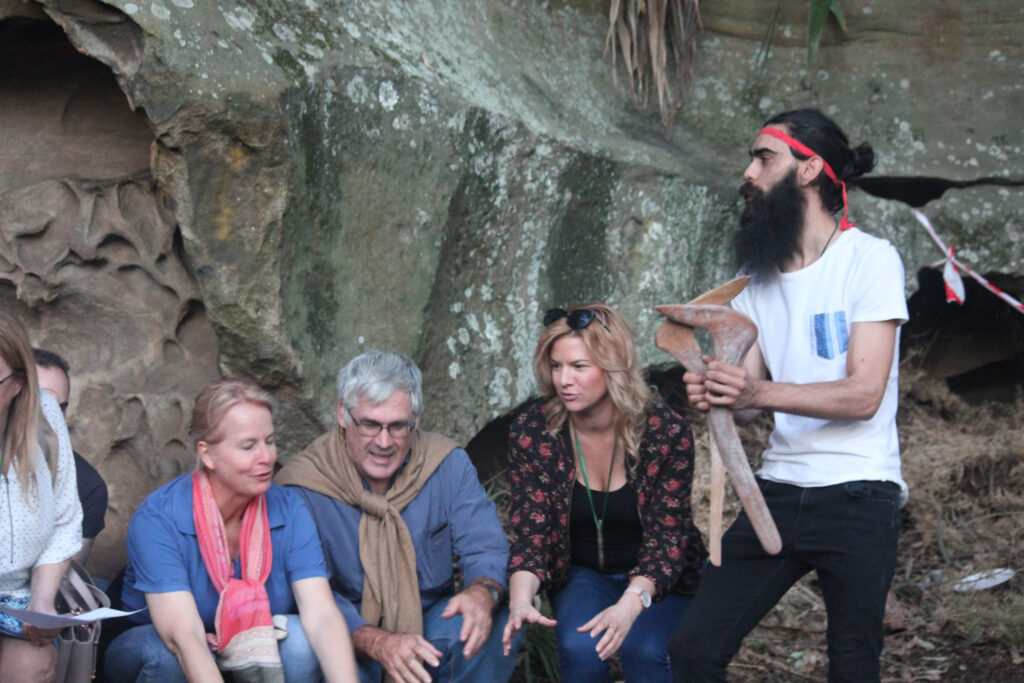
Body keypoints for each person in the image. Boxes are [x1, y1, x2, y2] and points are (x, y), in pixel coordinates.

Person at [670, 108, 908, 682]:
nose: (749, 173)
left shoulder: (870, 259)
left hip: (860, 492)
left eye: (763, 158)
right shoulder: (758, 279)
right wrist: (719, 389)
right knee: (694, 651)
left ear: (809, 170)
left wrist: (757, 388)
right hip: (775, 490)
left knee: (853, 665)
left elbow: (863, 395)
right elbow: (750, 403)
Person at [277, 350, 519, 683]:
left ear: (416, 420)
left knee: (497, 618)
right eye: (370, 424)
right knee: (299, 645)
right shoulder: (302, 487)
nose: (384, 441)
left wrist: (482, 593)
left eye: (398, 426)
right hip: (343, 639)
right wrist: (376, 642)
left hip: (425, 630)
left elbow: (485, 547)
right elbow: (306, 595)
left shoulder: (446, 464)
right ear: (343, 416)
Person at [503, 304, 707, 683]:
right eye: (556, 366)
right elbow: (531, 531)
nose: (564, 379)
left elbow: (668, 536)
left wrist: (630, 607)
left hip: (661, 579)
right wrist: (520, 597)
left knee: (644, 652)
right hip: (583, 573)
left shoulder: (664, 431)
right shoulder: (533, 431)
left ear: (613, 367)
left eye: (579, 366)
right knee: (582, 650)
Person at [105, 379, 358, 682]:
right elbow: (184, 639)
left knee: (303, 640)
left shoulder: (289, 508)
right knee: (163, 657)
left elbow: (322, 617)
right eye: (248, 446)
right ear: (207, 454)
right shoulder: (159, 517)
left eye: (270, 441)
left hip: (251, 643)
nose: (266, 457)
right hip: (156, 647)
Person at [0, 312, 81, 683]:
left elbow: (65, 518)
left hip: (16, 599)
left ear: (17, 383)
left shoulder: (45, 417)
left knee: (34, 664)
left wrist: (42, 602)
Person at [34, 348, 108, 566]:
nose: (49, 416)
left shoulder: (86, 485)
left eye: (59, 408)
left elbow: (66, 578)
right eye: (39, 403)